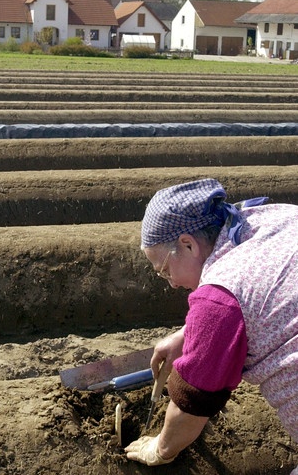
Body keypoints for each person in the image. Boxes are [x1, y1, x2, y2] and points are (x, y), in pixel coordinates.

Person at [125, 178, 297, 470]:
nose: (173, 284)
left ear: (188, 244)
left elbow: (193, 403)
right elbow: (267, 294)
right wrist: (190, 333)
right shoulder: (273, 217)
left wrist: (161, 449)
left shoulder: (218, 300)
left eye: (165, 270)